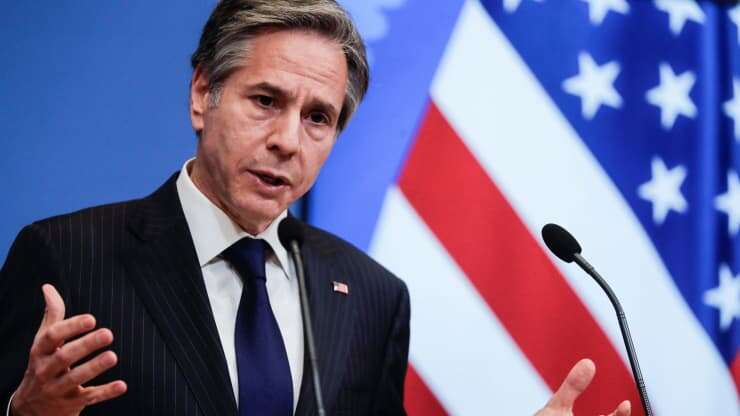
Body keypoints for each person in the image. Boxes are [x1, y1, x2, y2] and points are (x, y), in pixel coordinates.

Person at [0, 1, 631, 415]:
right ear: (202, 95)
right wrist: (26, 412)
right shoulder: (70, 257)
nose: (287, 140)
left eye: (318, 118)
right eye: (266, 101)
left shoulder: (372, 296)